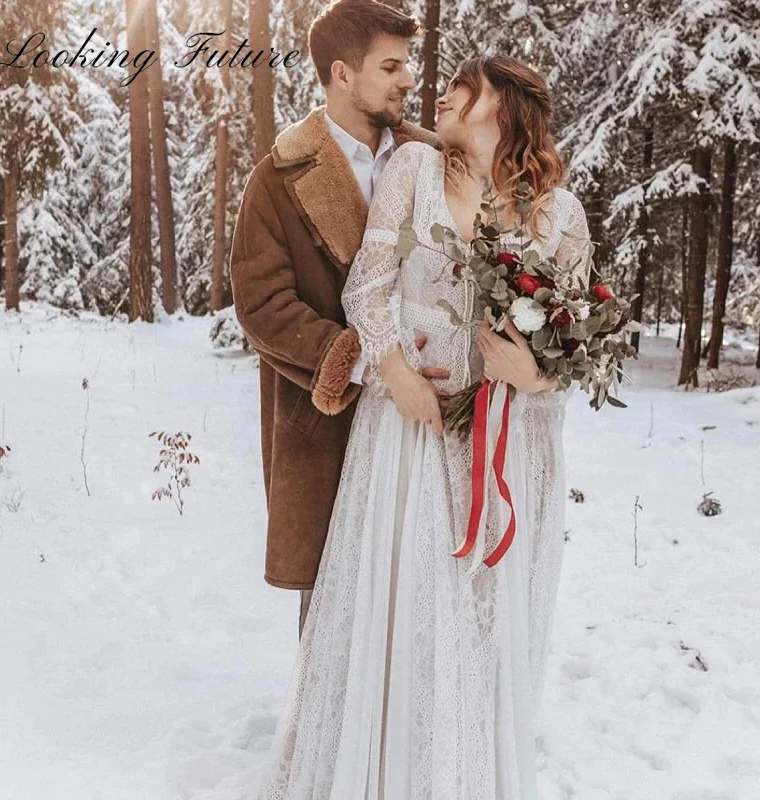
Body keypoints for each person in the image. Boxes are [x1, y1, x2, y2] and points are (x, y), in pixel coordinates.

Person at [250, 47, 594, 800]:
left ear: (501, 106)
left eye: (458, 90)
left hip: (507, 439)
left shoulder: (560, 212)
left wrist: (532, 375)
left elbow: (575, 343)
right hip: (408, 433)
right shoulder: (413, 169)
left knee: (477, 617)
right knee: (406, 607)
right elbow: (368, 289)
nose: (436, 98)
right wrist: (396, 373)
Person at [229, 0, 451, 642]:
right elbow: (262, 304)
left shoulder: (434, 162)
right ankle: (326, 740)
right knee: (333, 606)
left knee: (421, 589)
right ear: (341, 74)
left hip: (430, 420)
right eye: (391, 66)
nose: (408, 79)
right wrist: (369, 362)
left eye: (407, 64)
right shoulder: (277, 178)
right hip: (328, 418)